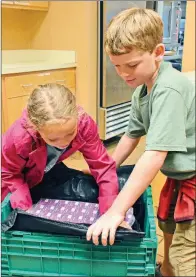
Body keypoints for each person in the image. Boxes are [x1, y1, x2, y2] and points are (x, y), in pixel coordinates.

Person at [86, 8, 195, 277]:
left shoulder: (168, 89)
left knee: (185, 254)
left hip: (193, 179)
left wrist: (115, 211)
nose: (124, 73)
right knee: (168, 232)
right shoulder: (142, 89)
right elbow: (131, 135)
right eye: (117, 66)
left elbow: (154, 154)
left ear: (158, 52)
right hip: (179, 177)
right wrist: (106, 168)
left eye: (131, 65)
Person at [2, 83, 119, 215]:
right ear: (35, 127)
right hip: (7, 173)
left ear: (77, 115)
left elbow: (102, 166)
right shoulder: (18, 138)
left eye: (70, 133)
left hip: (40, 170)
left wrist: (109, 212)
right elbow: (9, 173)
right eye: (53, 139)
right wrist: (25, 209)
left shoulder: (84, 125)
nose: (64, 143)